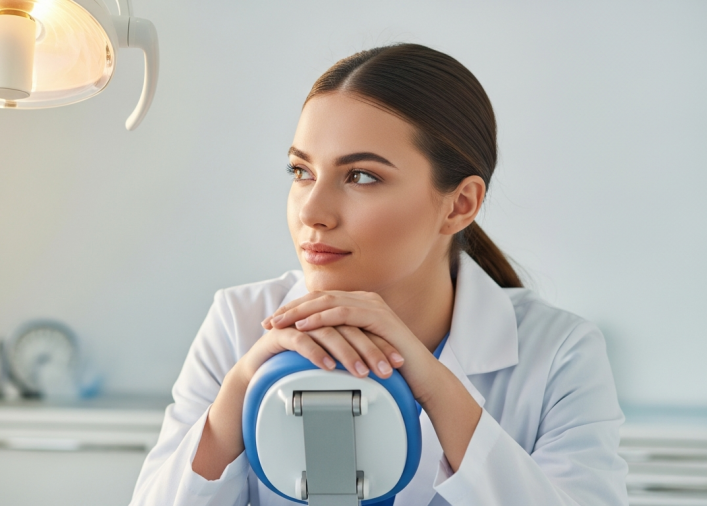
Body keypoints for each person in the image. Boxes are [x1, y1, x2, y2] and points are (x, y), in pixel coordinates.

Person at [128, 43, 628, 506]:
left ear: (459, 205)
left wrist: (432, 382)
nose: (313, 212)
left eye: (361, 176)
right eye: (301, 172)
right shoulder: (240, 323)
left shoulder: (559, 353)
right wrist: (241, 386)